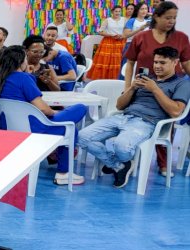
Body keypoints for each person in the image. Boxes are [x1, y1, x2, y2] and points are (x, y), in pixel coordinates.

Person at [80, 46, 190, 187]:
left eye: (162, 63)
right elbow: (120, 106)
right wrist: (132, 88)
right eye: (155, 62)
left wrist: (155, 89)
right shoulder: (145, 79)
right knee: (82, 136)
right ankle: (119, 165)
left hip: (147, 122)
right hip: (123, 117)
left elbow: (176, 112)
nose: (157, 66)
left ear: (175, 62)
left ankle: (117, 164)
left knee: (121, 146)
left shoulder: (182, 84)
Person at [0, 46, 87, 185]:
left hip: (9, 127)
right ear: (21, 61)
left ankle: (56, 159)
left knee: (68, 126)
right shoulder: (24, 78)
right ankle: (63, 173)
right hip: (34, 127)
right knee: (78, 112)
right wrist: (55, 112)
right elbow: (44, 109)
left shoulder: (0, 79)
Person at [124, 1, 190, 176]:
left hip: (170, 88)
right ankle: (128, 159)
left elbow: (186, 64)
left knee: (167, 125)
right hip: (142, 87)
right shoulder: (141, 37)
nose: (171, 21)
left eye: (174, 18)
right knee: (134, 119)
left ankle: (163, 163)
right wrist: (127, 87)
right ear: (156, 17)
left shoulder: (182, 38)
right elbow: (130, 63)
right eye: (168, 17)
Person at [87, 6, 126, 80]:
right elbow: (100, 31)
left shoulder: (124, 20)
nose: (117, 13)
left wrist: (122, 36)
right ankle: (104, 80)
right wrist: (110, 35)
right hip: (108, 42)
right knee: (106, 61)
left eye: (119, 11)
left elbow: (127, 31)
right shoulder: (108, 20)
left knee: (118, 61)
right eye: (116, 11)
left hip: (120, 42)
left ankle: (118, 80)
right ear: (112, 12)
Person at [120, 2, 151, 79]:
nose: (144, 11)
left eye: (146, 9)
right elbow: (125, 35)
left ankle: (140, 85)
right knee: (126, 67)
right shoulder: (132, 20)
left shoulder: (148, 22)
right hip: (131, 45)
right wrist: (140, 29)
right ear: (137, 10)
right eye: (142, 9)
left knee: (143, 67)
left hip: (144, 47)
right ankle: (123, 85)